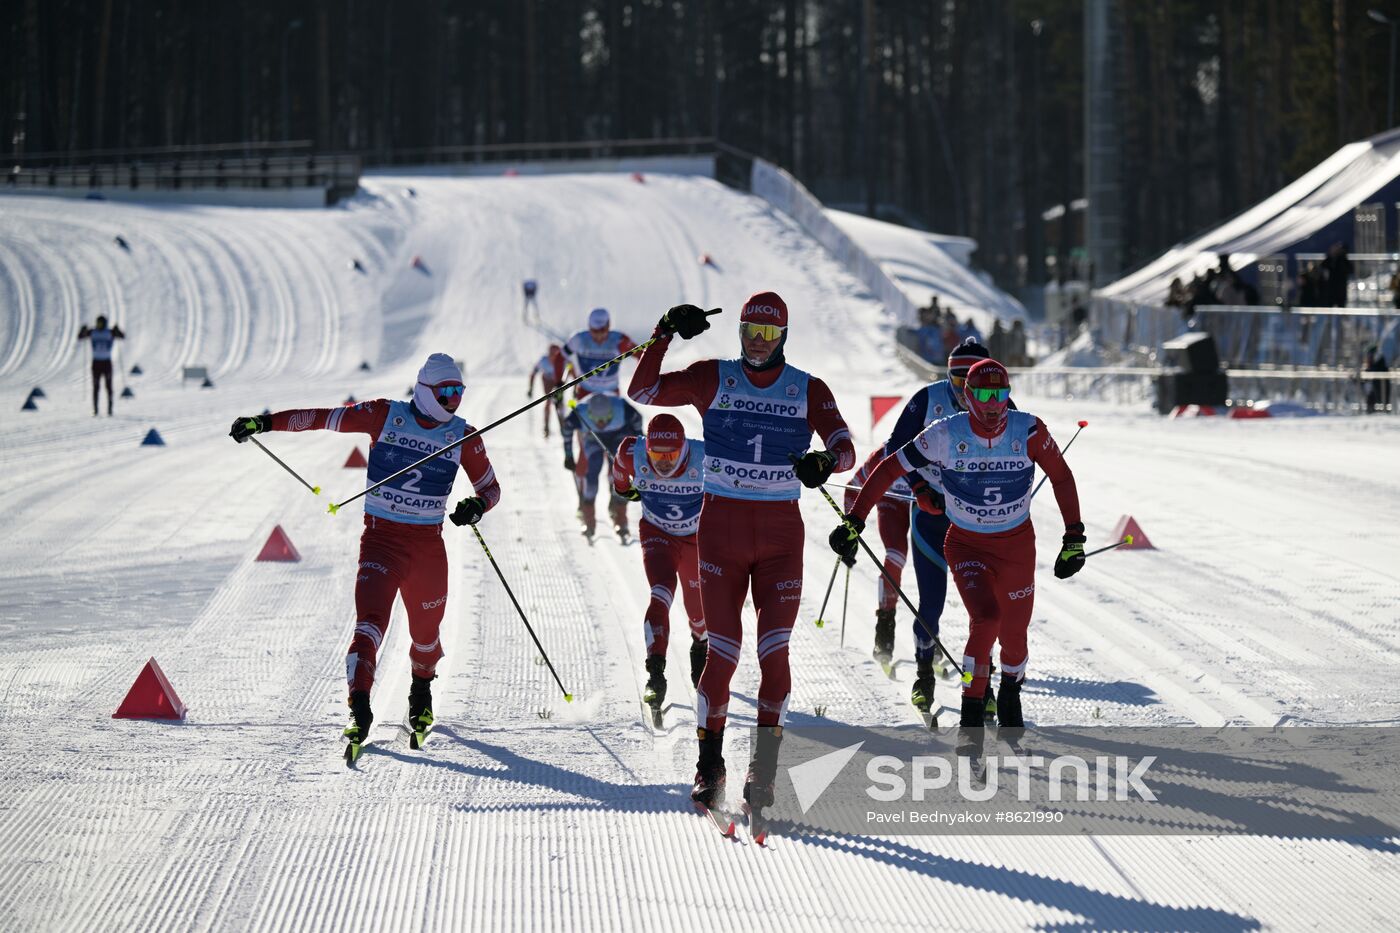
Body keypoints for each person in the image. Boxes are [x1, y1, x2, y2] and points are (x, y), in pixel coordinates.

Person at [628, 291, 856, 814]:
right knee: (722, 657)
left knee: (774, 653)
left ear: (784, 337)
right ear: (740, 332)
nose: (758, 343)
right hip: (721, 534)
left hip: (780, 540)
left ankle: (766, 768)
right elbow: (643, 388)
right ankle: (710, 767)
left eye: (768, 335)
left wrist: (826, 462)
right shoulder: (714, 377)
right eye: (751, 331)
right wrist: (662, 332)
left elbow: (845, 448)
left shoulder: (807, 388)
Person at [227, 353, 501, 751]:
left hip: (427, 548)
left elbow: (491, 489)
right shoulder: (384, 415)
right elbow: (321, 417)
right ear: (425, 391)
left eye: (459, 392)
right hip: (381, 542)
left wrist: (476, 506)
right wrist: (265, 422)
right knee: (369, 625)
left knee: (425, 638)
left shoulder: (464, 436)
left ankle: (420, 695)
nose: (454, 401)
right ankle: (359, 706)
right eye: (447, 392)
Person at [831, 358, 1082, 731]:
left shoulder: (1027, 429)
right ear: (967, 396)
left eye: (1001, 394)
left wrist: (1074, 537)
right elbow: (888, 466)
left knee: (1014, 638)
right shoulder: (945, 432)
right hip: (966, 544)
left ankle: (1010, 689)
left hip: (1016, 547)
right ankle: (970, 711)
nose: (993, 403)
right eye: (983, 393)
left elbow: (1061, 476)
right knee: (986, 620)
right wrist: (855, 520)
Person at [854, 338, 1000, 717]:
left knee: (985, 608)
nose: (961, 388)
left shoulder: (1001, 406)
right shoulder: (927, 400)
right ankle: (922, 674)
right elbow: (890, 451)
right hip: (926, 509)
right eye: (955, 377)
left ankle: (984, 683)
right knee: (925, 594)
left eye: (970, 379)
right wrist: (917, 488)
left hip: (972, 520)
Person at [612, 413, 708, 715]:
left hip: (696, 540)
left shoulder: (705, 456)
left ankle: (700, 644)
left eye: (671, 454)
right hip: (658, 534)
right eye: (657, 454)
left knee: (699, 615)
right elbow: (619, 482)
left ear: (684, 448)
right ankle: (655, 673)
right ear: (647, 447)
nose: (664, 462)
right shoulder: (630, 452)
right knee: (661, 591)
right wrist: (627, 491)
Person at [561, 392, 643, 540]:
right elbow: (567, 429)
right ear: (590, 414)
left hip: (618, 434)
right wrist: (568, 455)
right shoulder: (580, 412)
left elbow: (638, 421)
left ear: (612, 412)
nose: (602, 423)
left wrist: (639, 444)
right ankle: (589, 521)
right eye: (597, 419)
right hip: (593, 437)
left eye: (606, 418)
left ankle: (621, 520)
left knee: (618, 474)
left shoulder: (622, 408)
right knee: (592, 473)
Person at [562, 308, 637, 400]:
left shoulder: (619, 339)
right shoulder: (578, 339)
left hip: (611, 393)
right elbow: (561, 357)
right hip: (585, 391)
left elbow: (641, 355)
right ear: (589, 326)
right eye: (594, 330)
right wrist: (558, 382)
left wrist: (640, 380)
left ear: (608, 325)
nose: (599, 335)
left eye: (602, 330)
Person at [77, 315, 124, 416]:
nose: (99, 325)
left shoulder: (109, 332)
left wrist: (117, 330)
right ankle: (95, 410)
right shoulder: (93, 332)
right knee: (96, 387)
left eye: (101, 323)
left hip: (106, 363)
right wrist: (82, 330)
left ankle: (110, 409)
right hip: (96, 363)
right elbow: (80, 337)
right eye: (98, 323)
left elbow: (122, 336)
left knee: (108, 387)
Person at [527, 344, 567, 438]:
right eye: (551, 354)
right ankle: (546, 427)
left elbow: (571, 369)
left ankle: (562, 426)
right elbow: (533, 373)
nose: (553, 357)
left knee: (559, 403)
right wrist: (530, 389)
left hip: (558, 382)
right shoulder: (543, 361)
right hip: (547, 381)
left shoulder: (563, 360)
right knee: (548, 401)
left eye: (556, 355)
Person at [1364, 345, 1391, 413]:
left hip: (1381, 392)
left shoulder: (1381, 364)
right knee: (1371, 402)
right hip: (1375, 392)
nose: (1369, 357)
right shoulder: (1375, 364)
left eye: (1370, 355)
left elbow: (1372, 370)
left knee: (1381, 406)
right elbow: (1367, 374)